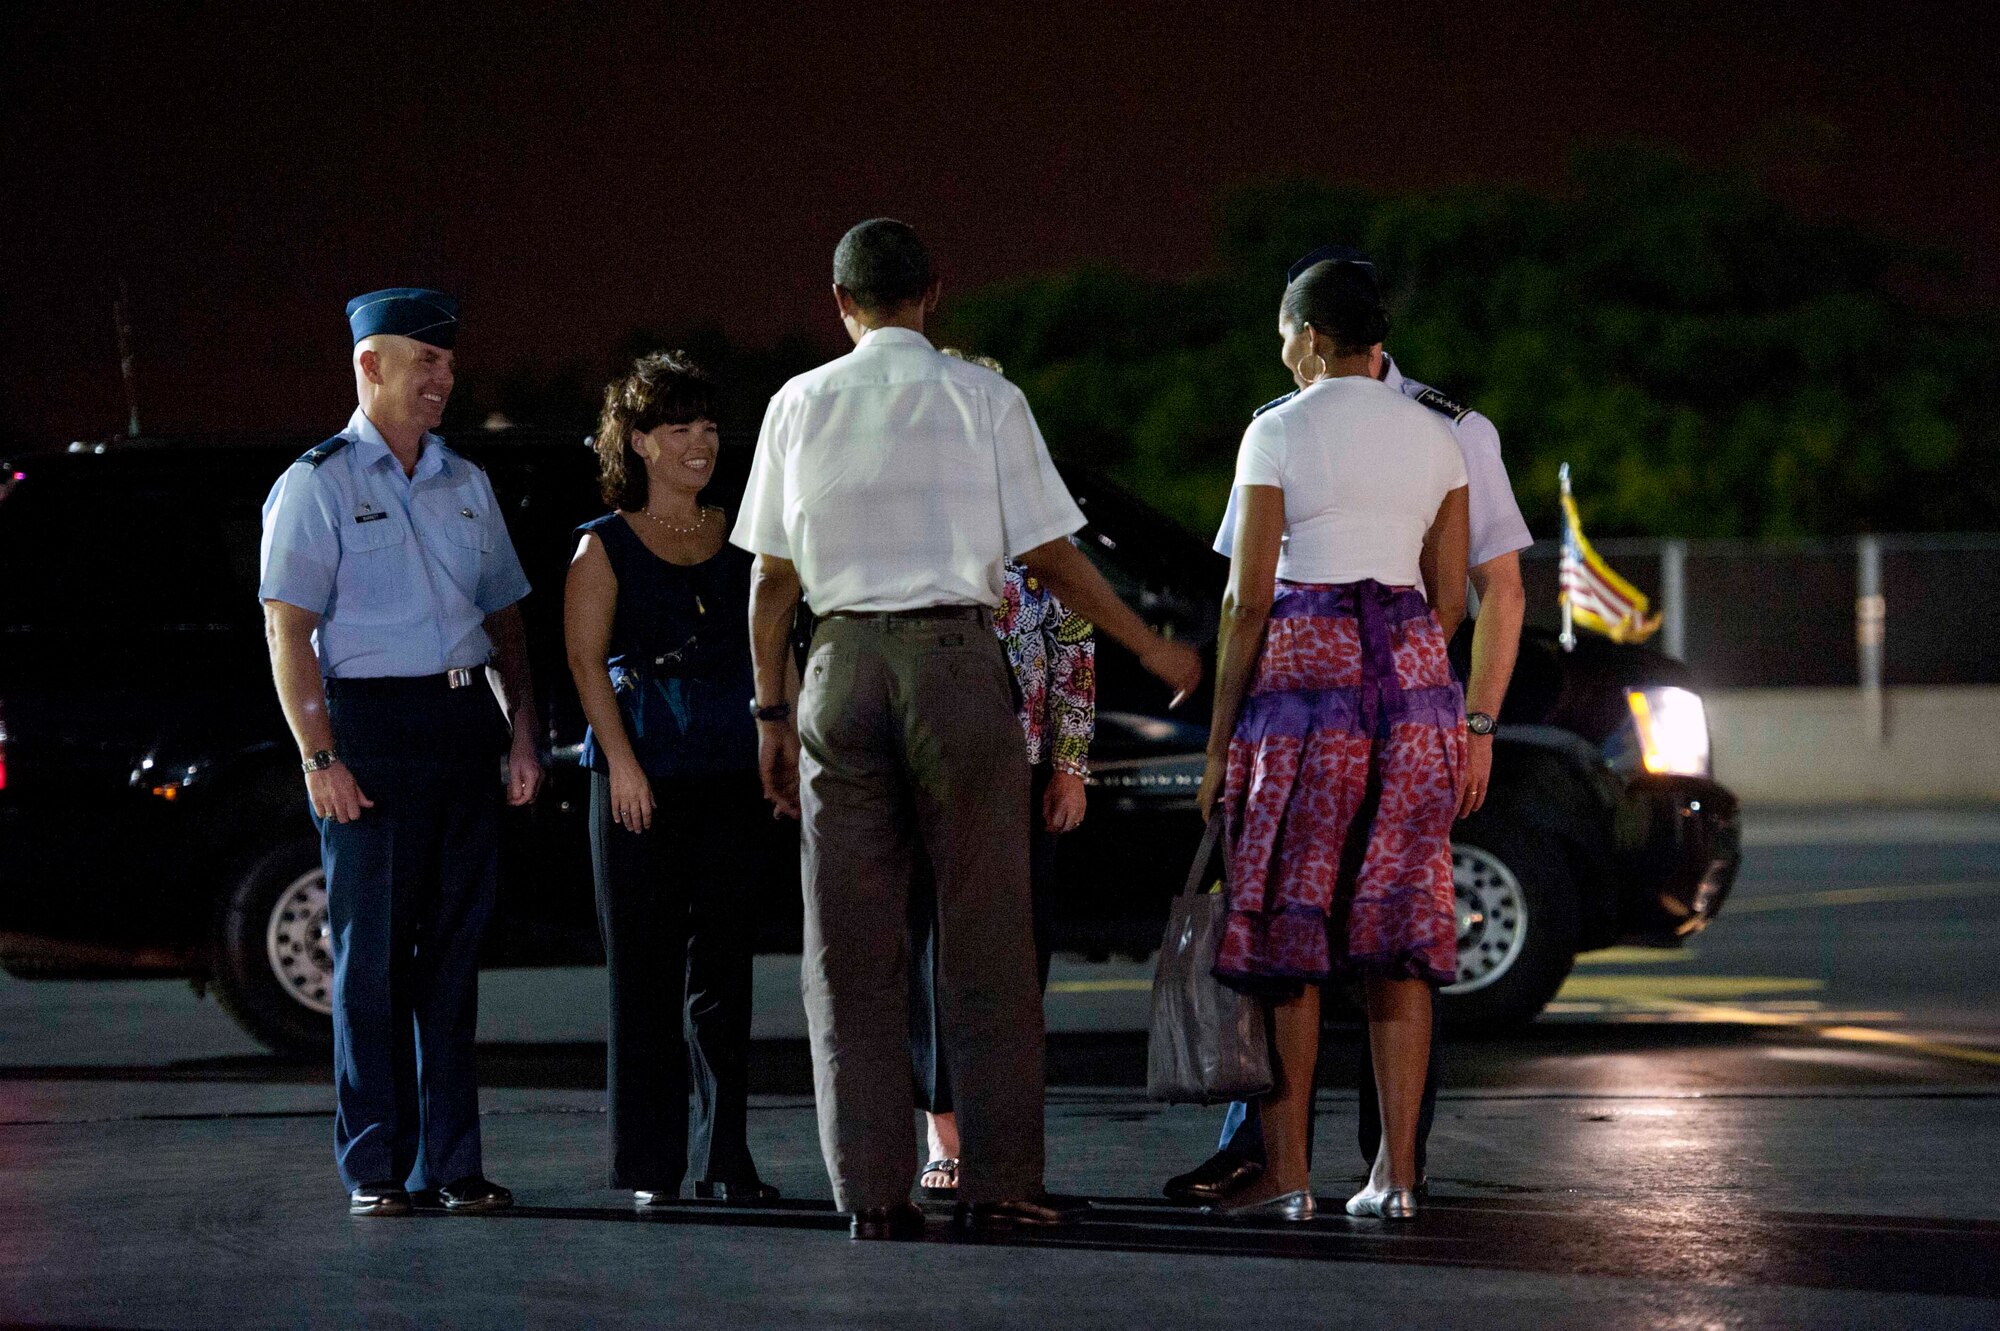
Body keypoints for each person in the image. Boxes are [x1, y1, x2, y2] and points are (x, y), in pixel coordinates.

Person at [731, 218, 1202, 1241]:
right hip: (953, 661)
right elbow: (1055, 553)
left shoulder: (795, 403)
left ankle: (870, 1191)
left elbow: (769, 578)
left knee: (848, 948)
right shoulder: (984, 398)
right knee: (985, 937)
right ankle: (998, 1178)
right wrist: (1153, 647)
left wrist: (769, 709)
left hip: (837, 662)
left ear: (839, 301)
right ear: (933, 293)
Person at [1165, 245, 1530, 1209]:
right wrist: (1405, 662)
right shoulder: (1440, 435)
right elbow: (1453, 594)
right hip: (1411, 683)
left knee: (1293, 936)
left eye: (1286, 334)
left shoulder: (1276, 432)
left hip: (1302, 682)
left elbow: (1246, 596)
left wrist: (1216, 746)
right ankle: (1399, 1179)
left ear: (1314, 338)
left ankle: (1290, 1175)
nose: (1282, 351)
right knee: (1399, 935)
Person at [259, 288, 543, 1217]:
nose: (444, 380)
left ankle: (452, 1163)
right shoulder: (319, 482)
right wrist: (319, 756)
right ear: (370, 366)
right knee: (371, 961)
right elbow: (288, 631)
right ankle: (376, 1166)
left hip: (464, 727)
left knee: (455, 960)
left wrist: (523, 735)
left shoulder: (465, 480)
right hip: (371, 735)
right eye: (426, 363)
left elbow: (505, 619)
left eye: (449, 365)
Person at [563, 351, 780, 1208]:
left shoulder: (748, 531)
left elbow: (777, 649)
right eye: (680, 428)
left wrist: (779, 747)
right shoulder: (603, 543)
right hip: (637, 781)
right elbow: (585, 662)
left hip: (731, 771)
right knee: (642, 976)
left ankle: (726, 1159)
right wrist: (621, 764)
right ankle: (649, 1167)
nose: (701, 443)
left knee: (725, 978)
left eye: (710, 427)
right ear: (641, 441)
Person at [909, 543, 1095, 1199]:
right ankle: (946, 1131)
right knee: (940, 948)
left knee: (1021, 950)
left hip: (1026, 764)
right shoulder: (919, 507)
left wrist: (1070, 766)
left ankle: (1002, 1127)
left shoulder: (1037, 524)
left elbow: (1073, 645)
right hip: (934, 766)